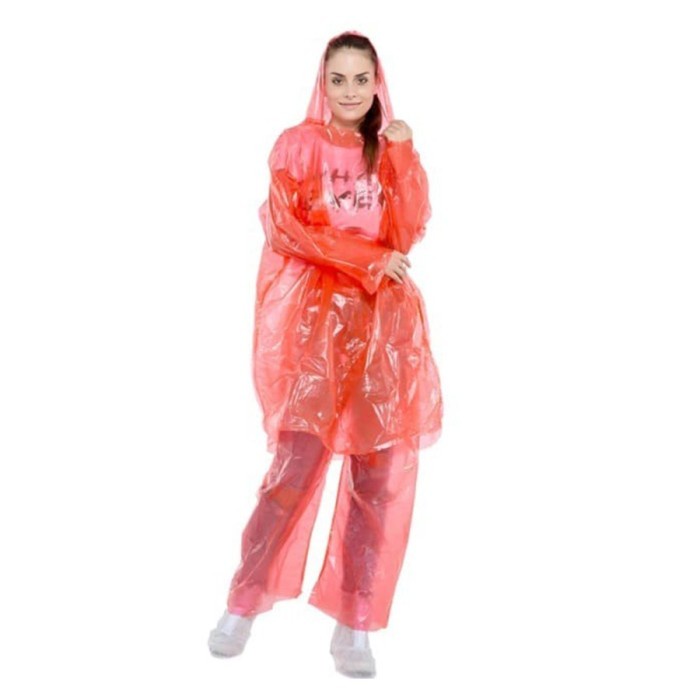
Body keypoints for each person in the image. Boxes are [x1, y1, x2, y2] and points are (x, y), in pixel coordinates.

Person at [208, 29, 443, 678]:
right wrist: (368, 259)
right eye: (338, 79)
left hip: (384, 329)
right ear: (323, 81)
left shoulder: (389, 147)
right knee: (293, 468)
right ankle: (244, 600)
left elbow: (407, 231)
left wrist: (403, 153)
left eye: (360, 79)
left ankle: (356, 622)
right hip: (318, 325)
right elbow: (289, 228)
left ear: (376, 82)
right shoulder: (298, 146)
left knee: (378, 478)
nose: (349, 91)